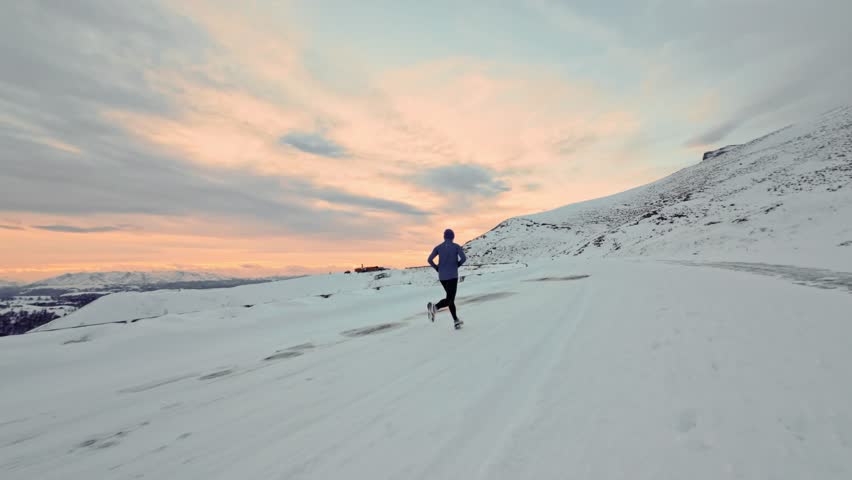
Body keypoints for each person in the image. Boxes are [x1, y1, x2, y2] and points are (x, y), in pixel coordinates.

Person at [427, 228, 466, 329]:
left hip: (442, 277)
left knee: (450, 299)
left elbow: (429, 260)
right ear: (453, 237)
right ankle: (434, 307)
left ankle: (456, 321)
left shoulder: (438, 247)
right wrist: (457, 265)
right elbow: (464, 258)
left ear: (444, 236)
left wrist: (437, 268)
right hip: (452, 276)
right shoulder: (456, 247)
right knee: (450, 299)